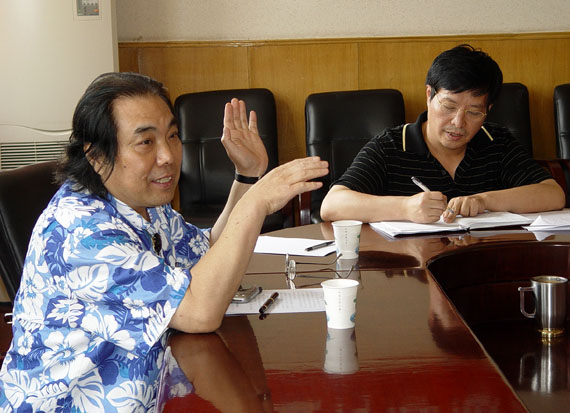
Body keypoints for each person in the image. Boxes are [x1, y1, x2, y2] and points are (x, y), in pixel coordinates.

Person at [0, 72, 328, 412]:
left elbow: (209, 255)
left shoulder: (140, 204)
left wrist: (247, 176)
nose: (168, 156)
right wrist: (255, 203)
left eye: (172, 136)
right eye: (146, 142)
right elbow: (199, 312)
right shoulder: (82, 233)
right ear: (96, 156)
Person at [320, 44, 565, 224]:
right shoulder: (391, 145)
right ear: (429, 95)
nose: (458, 123)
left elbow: (553, 194)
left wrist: (484, 201)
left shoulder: (496, 141)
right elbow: (332, 205)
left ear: (488, 110)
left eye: (474, 112)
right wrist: (405, 207)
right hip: (410, 269)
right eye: (449, 106)